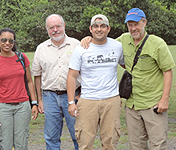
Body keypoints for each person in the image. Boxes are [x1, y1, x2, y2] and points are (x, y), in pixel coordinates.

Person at [81, 8, 175, 150]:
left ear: (144, 22)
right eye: (130, 25)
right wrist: (89, 39)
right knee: (136, 145)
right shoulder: (123, 40)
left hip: (152, 103)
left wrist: (164, 100)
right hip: (132, 105)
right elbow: (104, 44)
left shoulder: (157, 43)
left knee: (158, 145)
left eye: (136, 24)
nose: (133, 28)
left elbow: (167, 71)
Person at [67, 14, 124, 150]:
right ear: (90, 29)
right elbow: (71, 76)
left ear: (108, 29)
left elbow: (127, 65)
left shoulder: (117, 46)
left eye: (103, 26)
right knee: (85, 142)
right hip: (87, 100)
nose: (99, 29)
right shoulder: (81, 48)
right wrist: (71, 103)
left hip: (111, 100)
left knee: (110, 141)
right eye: (96, 26)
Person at [31, 14, 81, 150]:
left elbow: (86, 72)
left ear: (64, 26)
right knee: (51, 138)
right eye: (51, 27)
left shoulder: (77, 45)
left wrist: (81, 94)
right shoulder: (41, 48)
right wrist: (39, 100)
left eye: (58, 26)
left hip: (73, 97)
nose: (55, 30)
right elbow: (37, 75)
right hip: (50, 97)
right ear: (47, 29)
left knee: (78, 135)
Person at [0, 28, 38, 150]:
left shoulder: (22, 58)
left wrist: (34, 103)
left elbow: (30, 82)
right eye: (4, 40)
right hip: (3, 108)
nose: (7, 43)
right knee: (5, 144)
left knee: (21, 143)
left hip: (23, 106)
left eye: (11, 40)